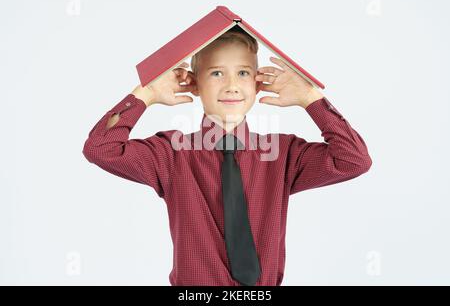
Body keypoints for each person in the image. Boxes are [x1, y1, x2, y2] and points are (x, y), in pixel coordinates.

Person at [82, 26, 372, 286]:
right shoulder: (171, 154)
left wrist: (312, 100)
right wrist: (144, 94)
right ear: (194, 84)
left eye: (243, 72)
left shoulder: (284, 155)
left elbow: (353, 160)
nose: (232, 84)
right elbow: (101, 148)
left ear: (258, 84)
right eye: (217, 73)